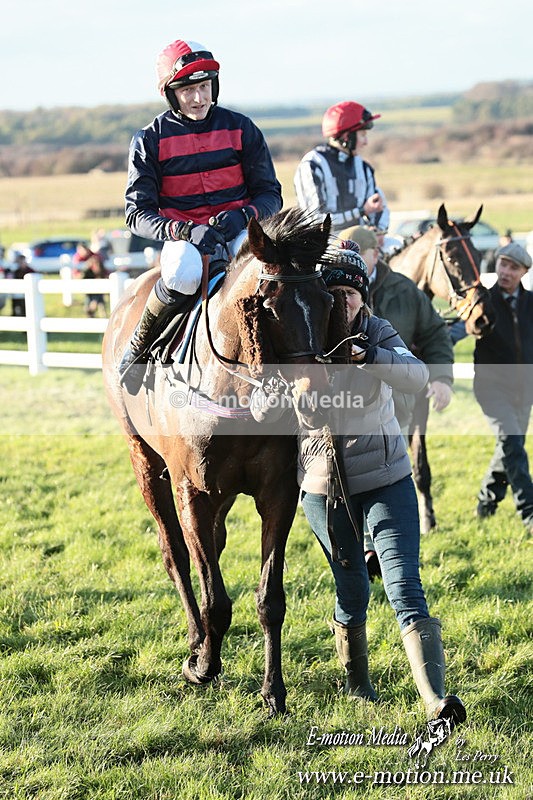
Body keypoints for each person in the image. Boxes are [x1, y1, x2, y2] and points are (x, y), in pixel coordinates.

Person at [297, 241, 466, 724]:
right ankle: (358, 689)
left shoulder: (377, 331)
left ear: (363, 297)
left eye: (350, 292)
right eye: (333, 292)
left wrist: (370, 355)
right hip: (323, 490)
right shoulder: (302, 342)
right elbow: (277, 408)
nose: (342, 300)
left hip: (387, 479)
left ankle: (436, 701)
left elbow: (414, 376)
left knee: (404, 586)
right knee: (352, 592)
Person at [119, 39, 282, 393]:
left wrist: (244, 216)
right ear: (170, 94)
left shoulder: (242, 128)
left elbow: (271, 194)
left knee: (273, 272)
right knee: (183, 273)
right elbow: (136, 214)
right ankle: (140, 347)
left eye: (204, 87)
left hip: (240, 231)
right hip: (185, 240)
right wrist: (183, 230)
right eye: (188, 90)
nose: (199, 98)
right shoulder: (149, 140)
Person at [341, 225, 454, 573]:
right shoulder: (331, 289)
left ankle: (389, 543)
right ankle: (369, 547)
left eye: (365, 251)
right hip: (346, 408)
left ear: (377, 252)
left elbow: (434, 332)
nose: (362, 258)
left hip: (400, 401)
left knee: (392, 468)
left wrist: (441, 378)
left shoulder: (404, 289)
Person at [452, 242, 533, 532]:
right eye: (503, 264)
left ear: (524, 272)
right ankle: (530, 512)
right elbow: (457, 330)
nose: (506, 271)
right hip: (492, 390)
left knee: (509, 447)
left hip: (525, 391)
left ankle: (486, 501)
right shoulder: (482, 301)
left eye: (514, 267)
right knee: (512, 443)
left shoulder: (530, 302)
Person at [294, 101, 389, 234]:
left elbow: (379, 208)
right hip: (326, 248)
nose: (366, 142)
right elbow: (316, 221)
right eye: (362, 135)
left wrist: (378, 231)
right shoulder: (312, 165)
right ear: (346, 136)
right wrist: (361, 211)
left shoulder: (363, 167)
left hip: (363, 243)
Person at [83, 253, 109, 318]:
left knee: (99, 301)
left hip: (98, 293)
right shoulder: (88, 272)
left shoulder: (102, 271)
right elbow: (83, 279)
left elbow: (106, 278)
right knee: (91, 301)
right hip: (90, 292)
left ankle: (93, 310)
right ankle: (91, 312)